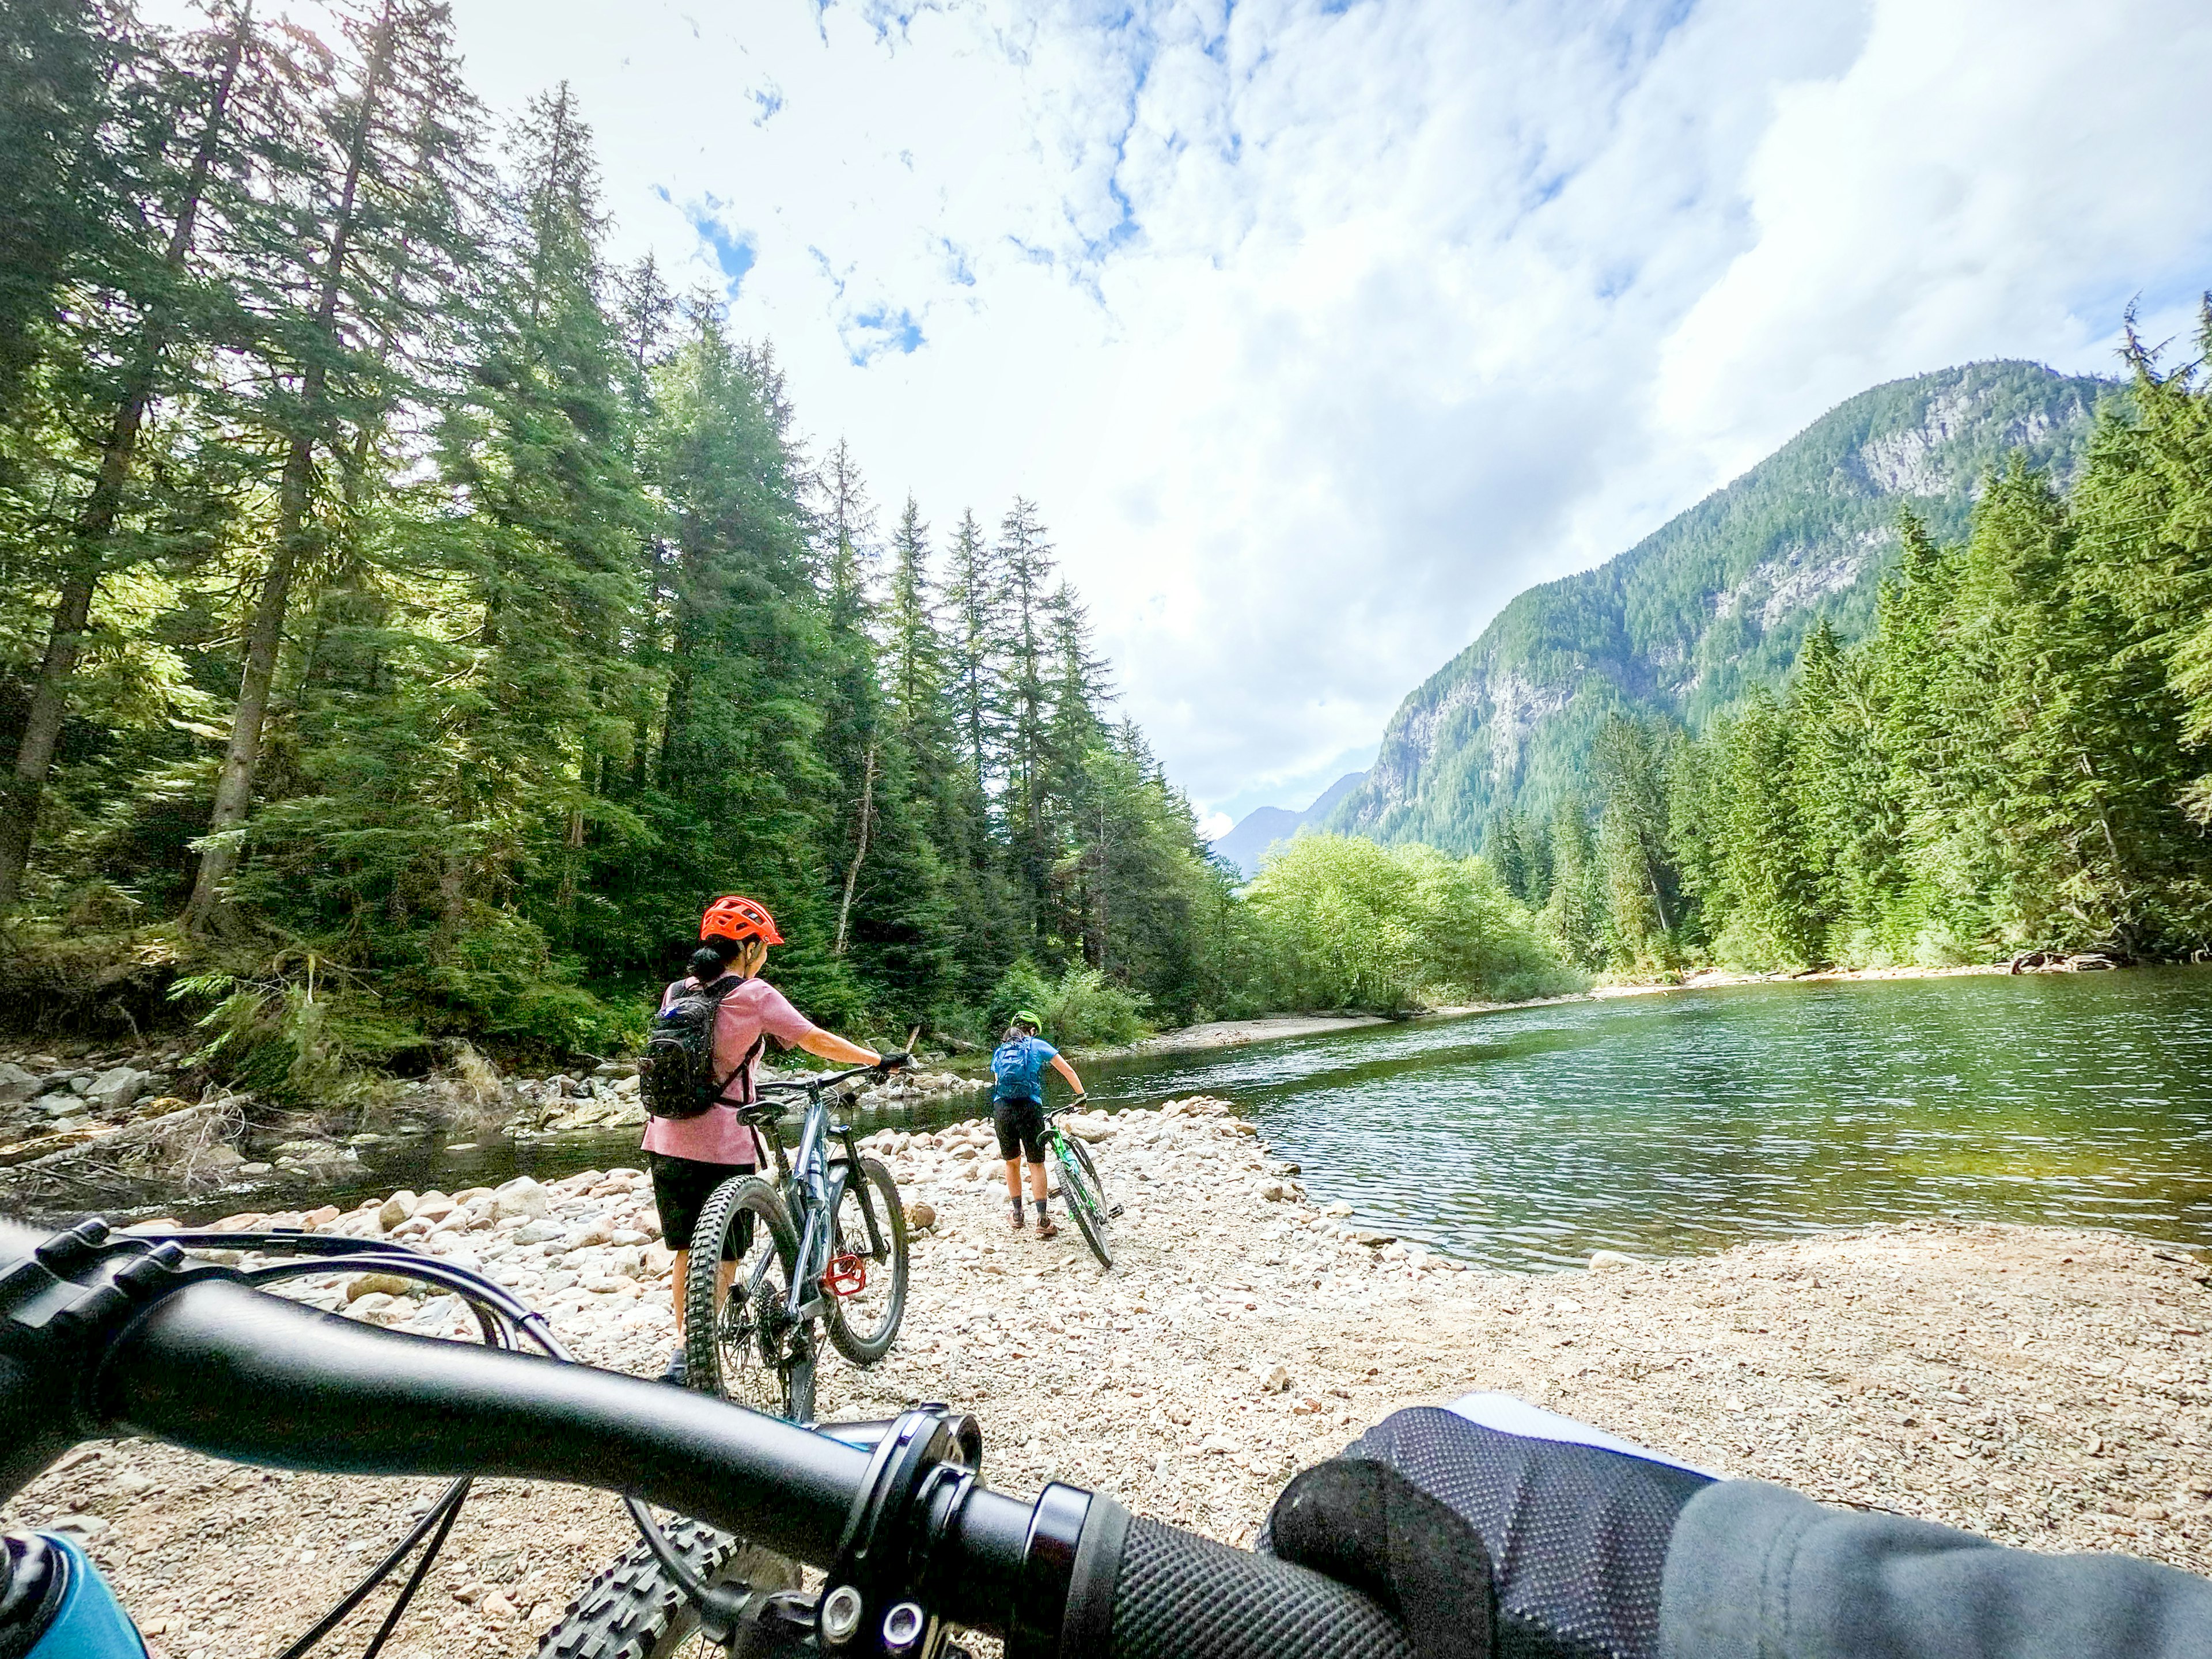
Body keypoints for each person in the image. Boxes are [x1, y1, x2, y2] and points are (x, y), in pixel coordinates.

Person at [645, 894, 904, 1386]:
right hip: (721, 1140)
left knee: (686, 1250)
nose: (765, 955)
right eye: (763, 947)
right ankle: (692, 1361)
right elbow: (814, 1040)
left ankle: (683, 1346)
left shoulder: (676, 991)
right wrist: (875, 1060)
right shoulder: (754, 995)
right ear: (746, 948)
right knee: (722, 1254)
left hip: (664, 1135)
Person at [988, 1009, 1086, 1238]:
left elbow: (997, 1083)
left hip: (1002, 1110)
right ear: (1032, 1030)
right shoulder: (1037, 1045)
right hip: (1030, 1108)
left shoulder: (1000, 1051)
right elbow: (1067, 1070)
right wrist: (1081, 1095)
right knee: (1036, 1164)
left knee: (1012, 1163)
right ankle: (1042, 1220)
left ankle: (1017, 1215)